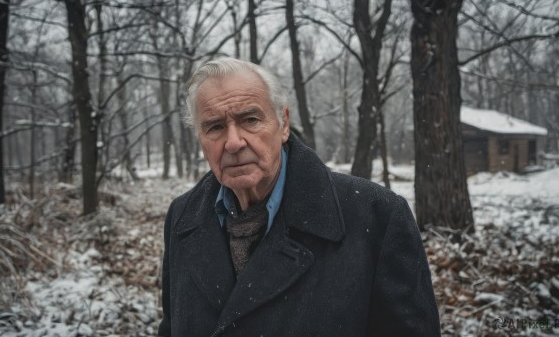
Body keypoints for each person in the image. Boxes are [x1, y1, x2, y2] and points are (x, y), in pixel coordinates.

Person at [158, 57, 440, 336]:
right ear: (200, 138)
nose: (233, 142)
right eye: (215, 127)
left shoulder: (378, 215)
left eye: (251, 120)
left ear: (283, 124)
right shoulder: (182, 218)